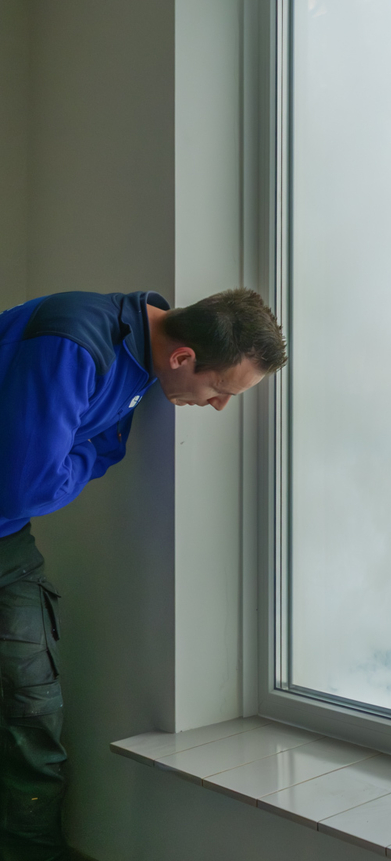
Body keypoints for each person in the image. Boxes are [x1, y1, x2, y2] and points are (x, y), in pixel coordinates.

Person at [0, 288, 286, 860]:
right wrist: (74, 458)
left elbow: (106, 450)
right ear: (183, 359)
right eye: (221, 391)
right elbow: (28, 484)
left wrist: (70, 457)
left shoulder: (140, 358)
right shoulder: (74, 341)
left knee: (32, 711)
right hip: (11, 514)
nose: (219, 406)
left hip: (7, 538)